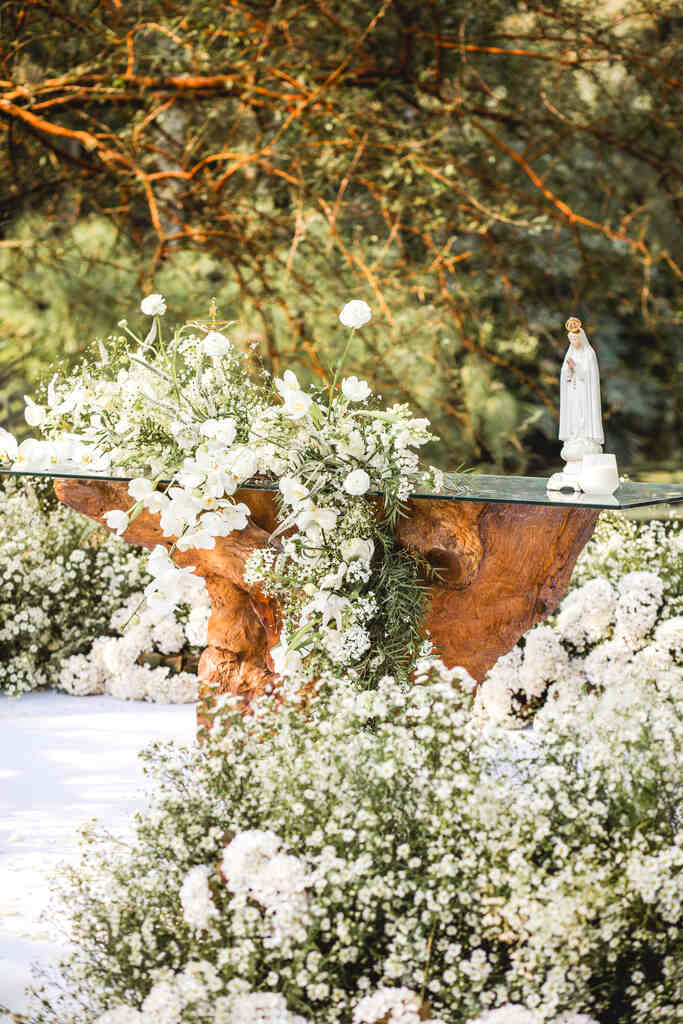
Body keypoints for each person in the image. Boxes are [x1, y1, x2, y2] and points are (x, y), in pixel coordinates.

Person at [559, 317, 604, 447]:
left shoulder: (589, 354)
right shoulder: (570, 354)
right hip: (573, 391)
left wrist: (576, 367)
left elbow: (588, 375)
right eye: (572, 340)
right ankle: (574, 436)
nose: (574, 342)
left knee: (584, 413)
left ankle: (586, 437)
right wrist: (568, 368)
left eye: (576, 339)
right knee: (574, 413)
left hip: (585, 391)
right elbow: (564, 375)